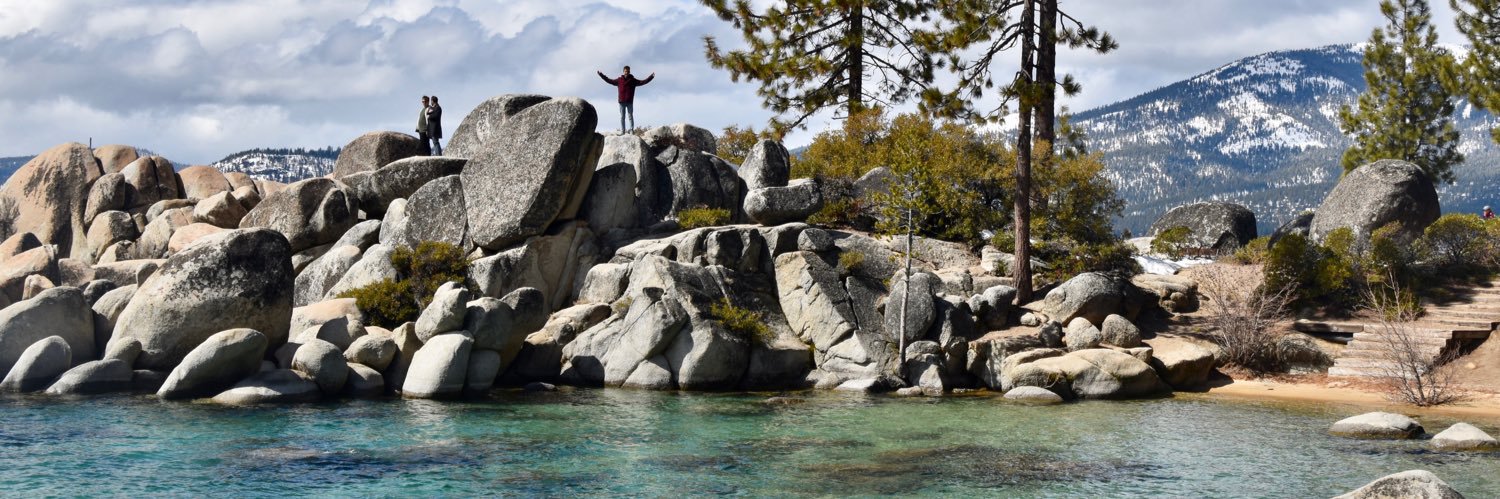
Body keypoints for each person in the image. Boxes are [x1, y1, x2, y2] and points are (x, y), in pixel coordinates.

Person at [597, 66, 655, 133]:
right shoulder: (619, 80)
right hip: (621, 101)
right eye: (625, 71)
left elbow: (643, 81)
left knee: (630, 116)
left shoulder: (633, 80)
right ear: (623, 71)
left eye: (627, 71)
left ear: (629, 71)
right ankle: (623, 131)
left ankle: (631, 130)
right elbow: (609, 80)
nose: (626, 72)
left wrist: (651, 77)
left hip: (629, 101)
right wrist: (601, 75)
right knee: (622, 117)